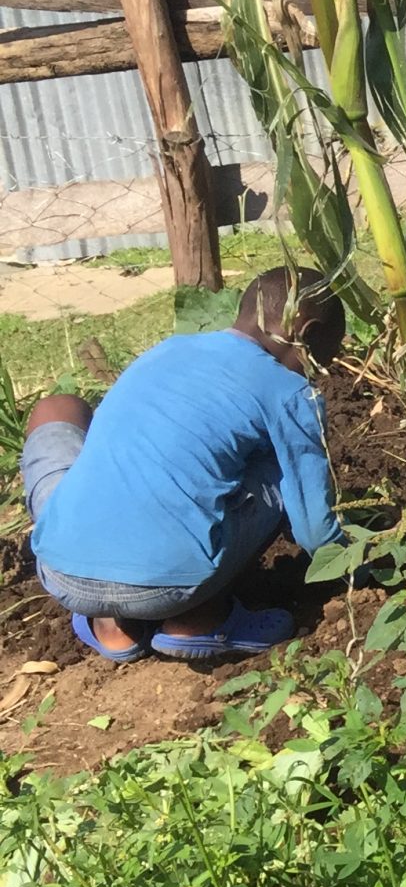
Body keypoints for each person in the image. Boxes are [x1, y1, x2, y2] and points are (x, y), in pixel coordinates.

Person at [18, 266, 345, 663]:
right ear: (307, 334)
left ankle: (111, 627)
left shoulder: (166, 350)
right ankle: (200, 620)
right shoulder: (290, 392)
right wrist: (355, 569)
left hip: (61, 573)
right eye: (326, 358)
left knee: (59, 408)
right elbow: (314, 531)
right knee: (282, 465)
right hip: (166, 589)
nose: (320, 374)